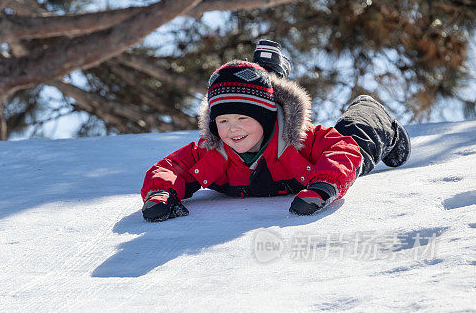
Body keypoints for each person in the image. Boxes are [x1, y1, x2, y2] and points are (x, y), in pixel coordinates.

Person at [140, 40, 411, 221]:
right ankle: (266, 73)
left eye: (243, 118)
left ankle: (372, 110)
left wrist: (324, 185)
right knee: (252, 100)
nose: (232, 129)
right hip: (263, 116)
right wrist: (160, 192)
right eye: (222, 121)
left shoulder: (298, 139)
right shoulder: (212, 150)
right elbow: (171, 166)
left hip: (310, 169)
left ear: (266, 118)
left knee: (356, 140)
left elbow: (342, 149)